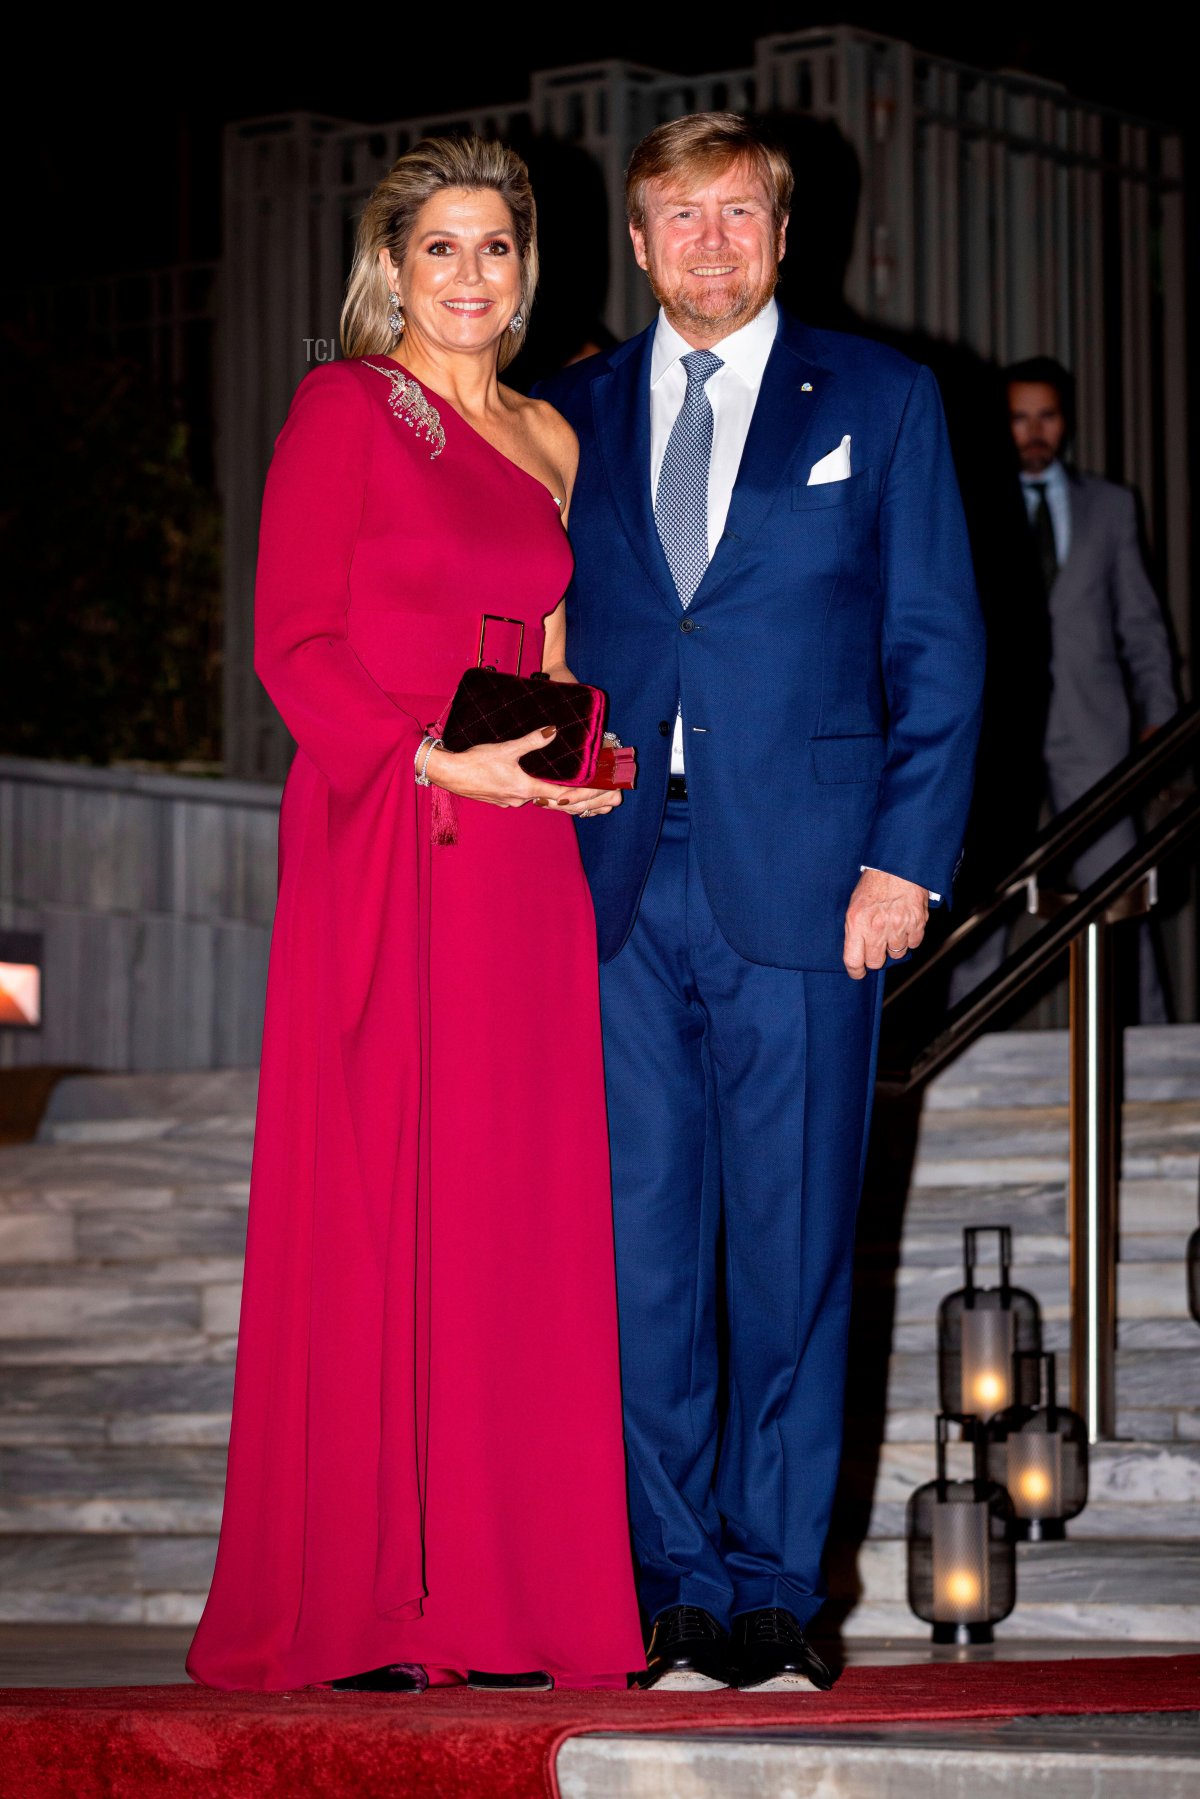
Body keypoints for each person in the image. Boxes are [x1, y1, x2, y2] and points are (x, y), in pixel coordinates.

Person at [187, 136, 644, 1692]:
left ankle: (506, 1592)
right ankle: (376, 1599)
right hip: (392, 824)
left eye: (495, 249)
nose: (469, 276)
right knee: (389, 1193)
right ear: (392, 264)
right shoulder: (345, 407)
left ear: (528, 267)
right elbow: (293, 642)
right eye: (439, 249)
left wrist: (586, 759)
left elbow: (553, 642)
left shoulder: (548, 431)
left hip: (522, 859)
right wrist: (426, 758)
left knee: (515, 1211)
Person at [536, 113, 985, 1691]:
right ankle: (668, 1580)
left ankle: (775, 1585)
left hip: (808, 883)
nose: (711, 241)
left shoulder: (882, 398)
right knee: (641, 1255)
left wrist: (906, 860)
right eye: (680, 216)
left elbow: (939, 648)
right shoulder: (569, 413)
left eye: (740, 214)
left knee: (789, 1252)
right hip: (605, 879)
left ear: (782, 235)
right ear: (640, 242)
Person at [950, 357, 1177, 1014]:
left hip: (1092, 729)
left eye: (1046, 414)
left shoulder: (1111, 506)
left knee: (1119, 887)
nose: (1033, 430)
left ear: (1066, 419)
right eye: (1019, 417)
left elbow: (1142, 622)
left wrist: (1158, 714)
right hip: (1002, 734)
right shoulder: (973, 510)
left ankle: (1152, 1043)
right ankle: (961, 1053)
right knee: (985, 899)